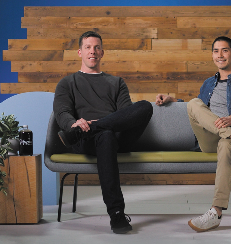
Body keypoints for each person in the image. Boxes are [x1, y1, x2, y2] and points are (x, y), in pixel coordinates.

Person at [156, 36, 231, 232]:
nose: (220, 55)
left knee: (226, 144)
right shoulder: (207, 84)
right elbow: (199, 112)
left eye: (225, 50)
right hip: (213, 138)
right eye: (216, 51)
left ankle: (215, 212)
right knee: (195, 103)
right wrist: (174, 99)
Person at [53, 31, 153, 234]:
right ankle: (116, 214)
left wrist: (101, 124)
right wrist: (74, 125)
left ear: (102, 53)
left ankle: (98, 127)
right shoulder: (67, 83)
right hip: (85, 138)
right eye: (88, 47)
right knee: (104, 136)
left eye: (97, 47)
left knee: (145, 106)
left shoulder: (116, 82)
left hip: (116, 136)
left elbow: (127, 114)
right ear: (80, 52)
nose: (93, 51)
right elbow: (62, 112)